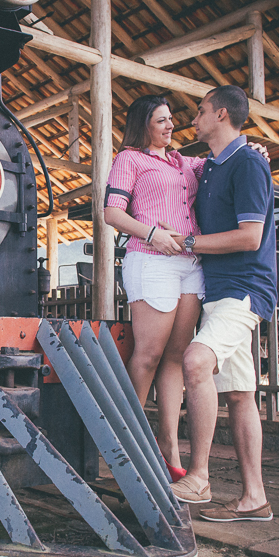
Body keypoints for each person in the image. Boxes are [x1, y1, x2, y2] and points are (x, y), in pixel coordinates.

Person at [167, 85, 277, 522]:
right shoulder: (212, 166)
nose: (193, 119)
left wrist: (190, 243)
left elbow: (251, 236)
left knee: (195, 362)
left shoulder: (248, 163)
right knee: (240, 395)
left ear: (222, 114)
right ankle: (255, 499)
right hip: (219, 292)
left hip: (244, 288)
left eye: (200, 111)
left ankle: (198, 477)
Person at [102, 95, 205, 482]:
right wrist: (152, 233)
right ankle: (126, 445)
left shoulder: (183, 162)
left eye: (171, 120)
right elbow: (112, 213)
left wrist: (254, 149)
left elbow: (220, 159)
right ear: (144, 124)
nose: (170, 126)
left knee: (176, 356)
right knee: (148, 354)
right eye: (161, 120)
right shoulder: (129, 159)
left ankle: (168, 445)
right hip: (151, 258)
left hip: (190, 264)